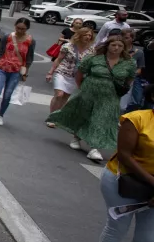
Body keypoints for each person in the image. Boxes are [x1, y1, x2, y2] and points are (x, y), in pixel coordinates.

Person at [87, 85, 154, 242]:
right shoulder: (136, 119)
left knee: (148, 239)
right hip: (122, 181)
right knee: (118, 226)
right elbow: (125, 155)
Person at [48, 34, 137, 162]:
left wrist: (121, 90)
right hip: (89, 91)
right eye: (113, 45)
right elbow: (80, 73)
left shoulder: (129, 63)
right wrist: (82, 88)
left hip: (110, 96)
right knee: (84, 115)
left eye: (120, 46)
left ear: (124, 48)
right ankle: (76, 137)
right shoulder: (95, 58)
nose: (116, 48)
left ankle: (95, 148)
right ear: (107, 46)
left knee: (101, 120)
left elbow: (129, 79)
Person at [0, 18, 35, 127]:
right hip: (2, 66)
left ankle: (0, 115)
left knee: (8, 94)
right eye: (18, 28)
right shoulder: (7, 37)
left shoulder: (30, 41)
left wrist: (25, 72)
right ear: (15, 26)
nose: (20, 31)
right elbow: (0, 52)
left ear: (27, 29)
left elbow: (29, 58)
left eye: (23, 29)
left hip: (16, 70)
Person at [45, 27, 95, 128]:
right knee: (59, 95)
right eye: (86, 35)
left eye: (90, 35)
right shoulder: (68, 46)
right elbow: (58, 60)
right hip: (62, 72)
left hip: (76, 77)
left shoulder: (91, 50)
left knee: (65, 97)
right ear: (80, 35)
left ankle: (58, 116)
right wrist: (50, 72)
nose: (88, 37)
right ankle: (51, 117)